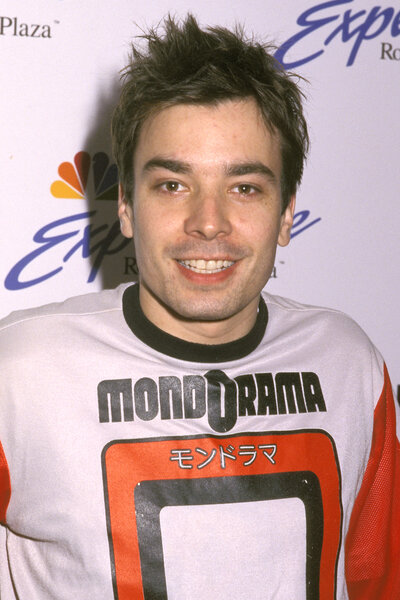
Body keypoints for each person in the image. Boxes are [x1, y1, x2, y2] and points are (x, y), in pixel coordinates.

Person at [0, 14, 399, 600]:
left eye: (244, 187)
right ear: (127, 208)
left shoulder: (348, 364)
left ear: (286, 212)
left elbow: (376, 581)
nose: (208, 223)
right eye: (172, 184)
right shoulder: (20, 370)